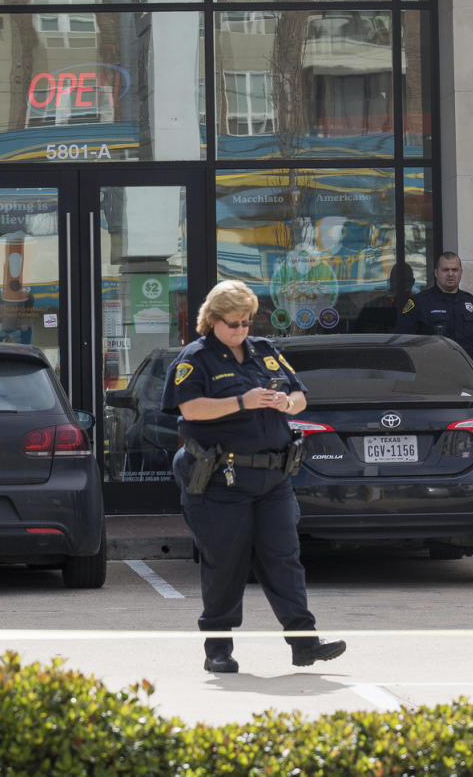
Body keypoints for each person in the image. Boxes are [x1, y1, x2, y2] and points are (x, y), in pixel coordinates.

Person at [160, 280, 345, 674]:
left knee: (284, 559)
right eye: (233, 323)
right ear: (212, 320)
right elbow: (190, 409)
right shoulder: (196, 358)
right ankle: (218, 648)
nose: (241, 330)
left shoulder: (264, 351)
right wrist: (242, 401)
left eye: (246, 322)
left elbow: (301, 396)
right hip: (220, 481)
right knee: (225, 563)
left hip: (273, 477)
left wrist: (286, 402)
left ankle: (304, 642)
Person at [398, 251, 473, 356]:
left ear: (461, 272)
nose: (450, 274)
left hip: (466, 369)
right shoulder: (419, 303)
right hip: (431, 368)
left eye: (455, 270)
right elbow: (402, 342)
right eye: (445, 270)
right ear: (436, 273)